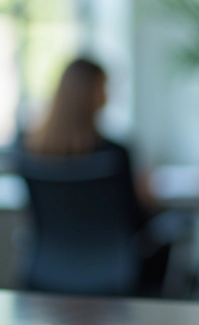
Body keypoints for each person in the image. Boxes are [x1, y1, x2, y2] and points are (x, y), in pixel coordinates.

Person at [17, 58, 168, 294]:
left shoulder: (31, 151)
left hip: (49, 268)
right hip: (114, 269)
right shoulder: (114, 154)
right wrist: (147, 199)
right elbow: (135, 222)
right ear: (94, 94)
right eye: (104, 88)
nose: (108, 95)